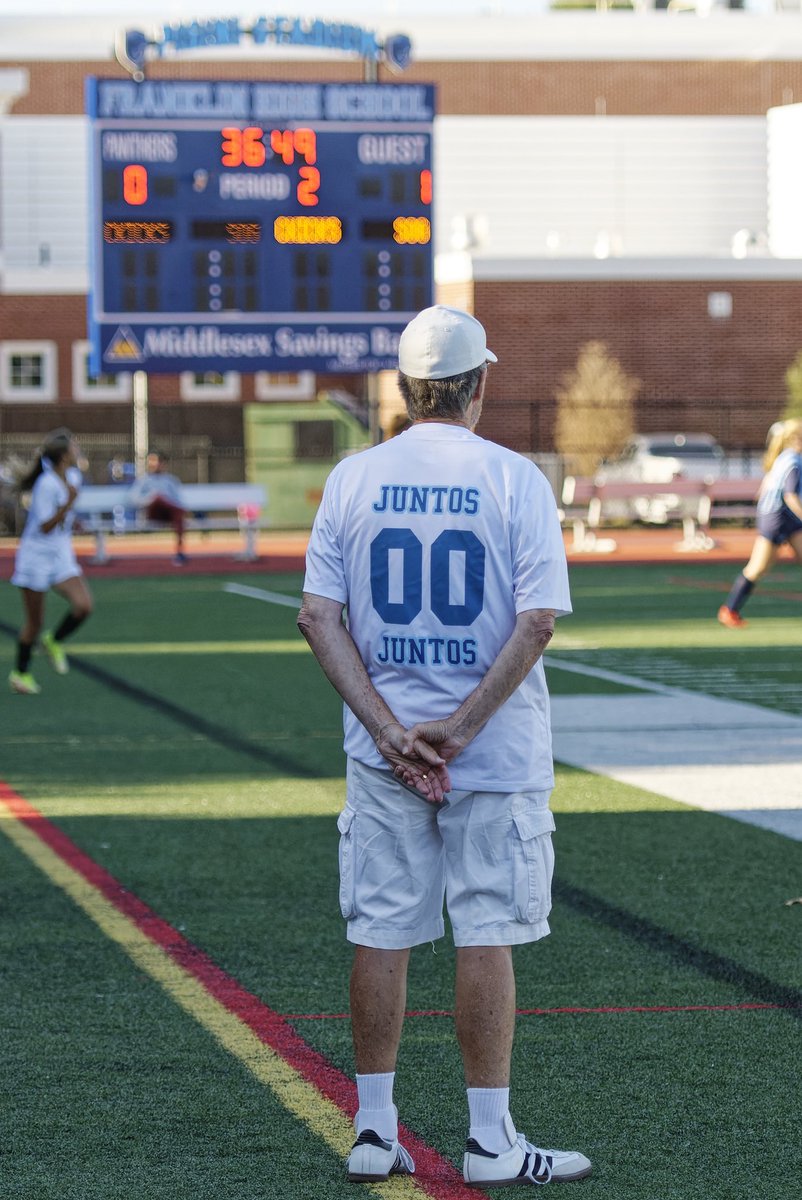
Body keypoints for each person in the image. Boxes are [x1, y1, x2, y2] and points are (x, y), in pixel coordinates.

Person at [298, 305, 591, 1187]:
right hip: (492, 752)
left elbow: (317, 617)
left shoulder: (353, 477)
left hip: (384, 752)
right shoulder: (514, 478)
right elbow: (536, 623)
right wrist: (459, 731)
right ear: (478, 383)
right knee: (487, 931)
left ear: (403, 386)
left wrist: (391, 733)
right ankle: (489, 1140)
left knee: (381, 930)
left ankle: (373, 1129)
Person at [9, 429, 93, 695]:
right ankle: (20, 674)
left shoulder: (73, 477)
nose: (77, 449)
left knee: (83, 606)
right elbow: (45, 526)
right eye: (73, 446)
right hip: (36, 556)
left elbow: (62, 520)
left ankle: (53, 641)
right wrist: (68, 504)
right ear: (63, 455)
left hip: (60, 553)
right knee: (34, 622)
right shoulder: (46, 484)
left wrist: (73, 520)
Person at [718, 417, 802, 628]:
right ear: (796, 438)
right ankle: (729, 610)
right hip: (780, 517)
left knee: (759, 568)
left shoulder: (783, 458)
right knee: (757, 567)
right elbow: (791, 495)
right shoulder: (793, 461)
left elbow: (764, 488)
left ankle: (730, 610)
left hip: (774, 516)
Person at [128, 450, 188, 564]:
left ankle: (180, 552)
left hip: (168, 514)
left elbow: (178, 500)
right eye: (151, 461)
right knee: (158, 498)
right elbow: (133, 499)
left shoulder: (171, 480)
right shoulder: (143, 480)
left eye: (156, 461)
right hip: (151, 513)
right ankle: (164, 503)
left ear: (163, 463)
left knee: (177, 514)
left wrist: (165, 500)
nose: (153, 464)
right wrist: (150, 499)